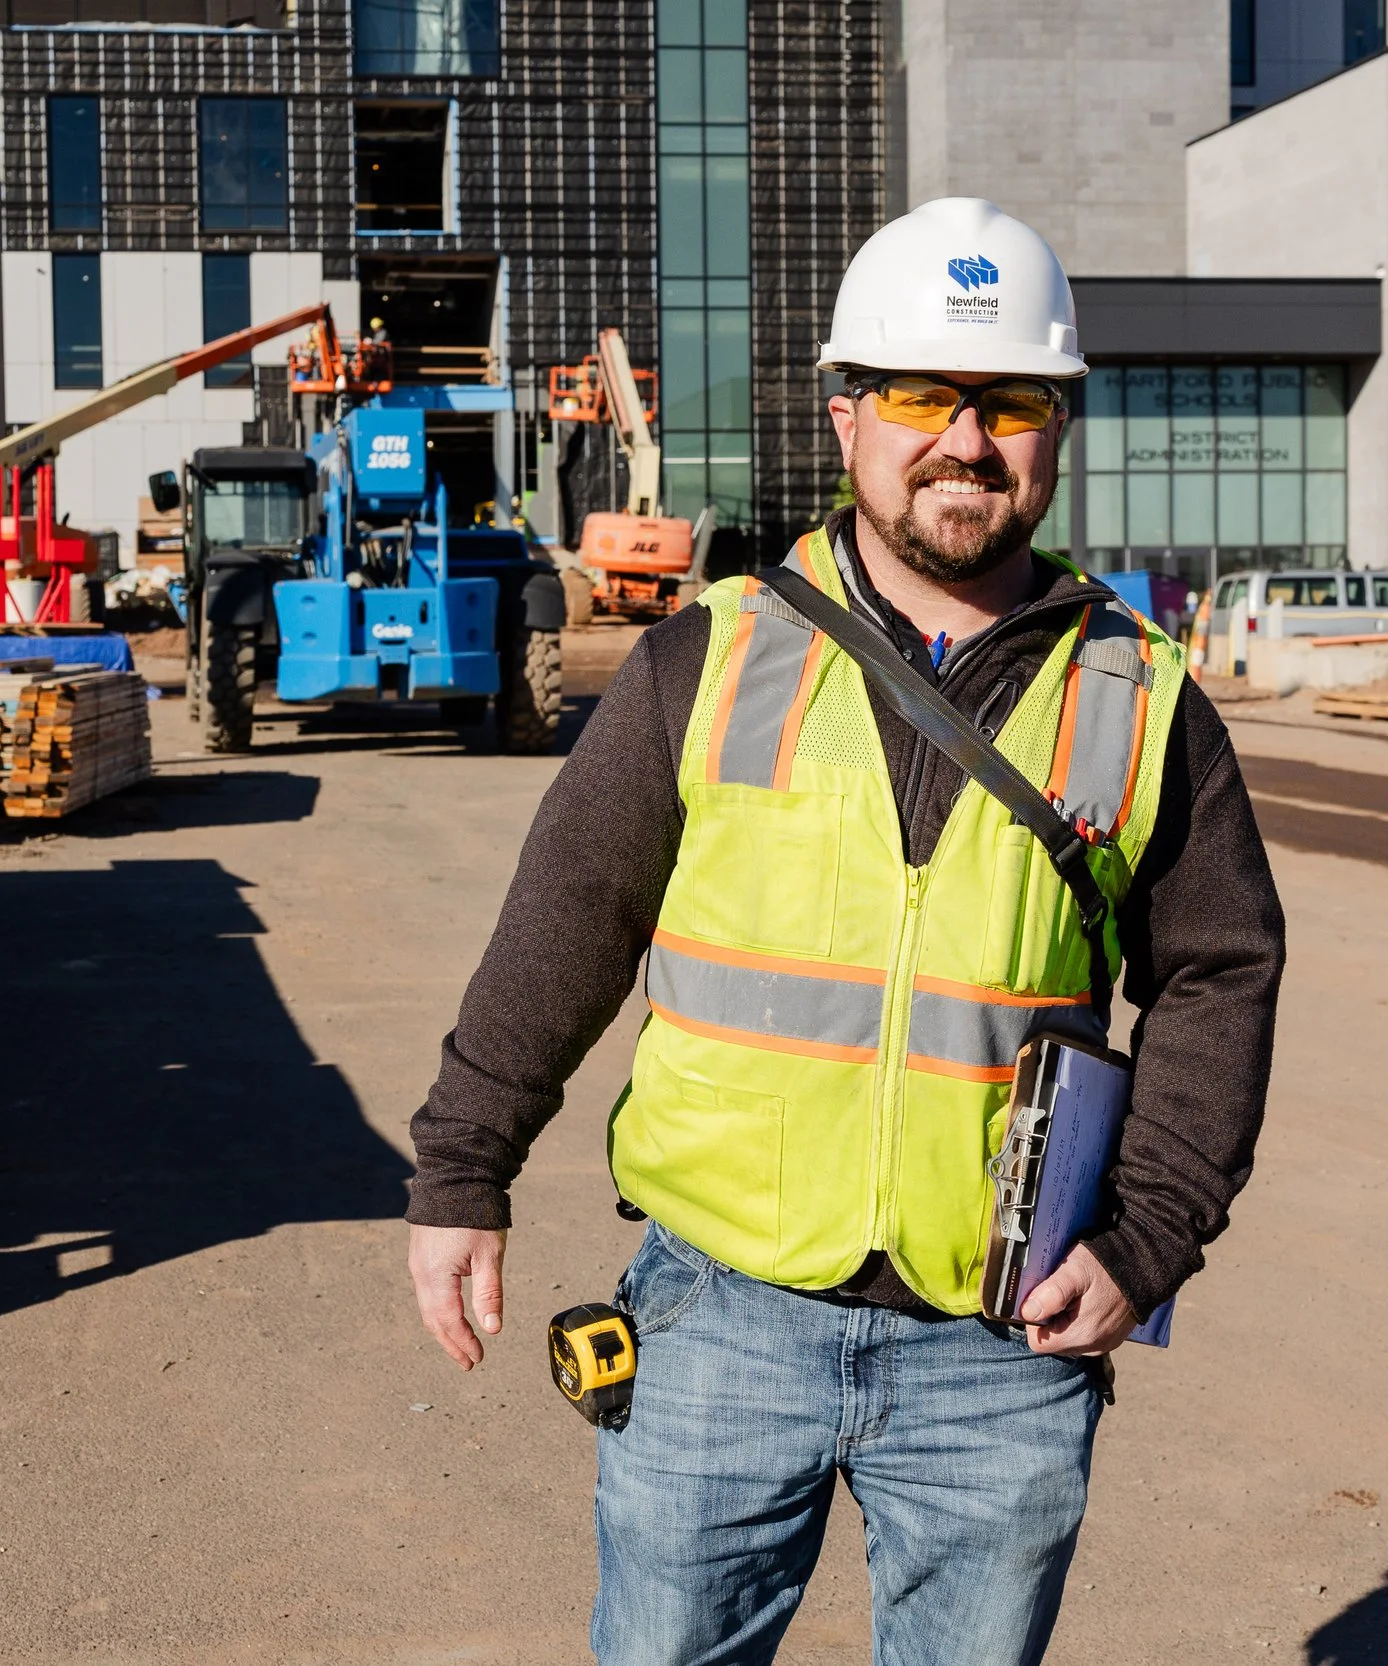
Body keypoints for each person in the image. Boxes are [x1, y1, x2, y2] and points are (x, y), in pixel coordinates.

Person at [405, 196, 1285, 1664]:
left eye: (1007, 402)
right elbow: (570, 916)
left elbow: (1220, 975)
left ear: (1055, 427)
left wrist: (1149, 1236)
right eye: (924, 397)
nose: (964, 439)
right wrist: (460, 1170)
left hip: (1002, 1348)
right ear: (846, 418)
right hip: (718, 1313)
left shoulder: (1143, 701)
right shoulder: (716, 654)